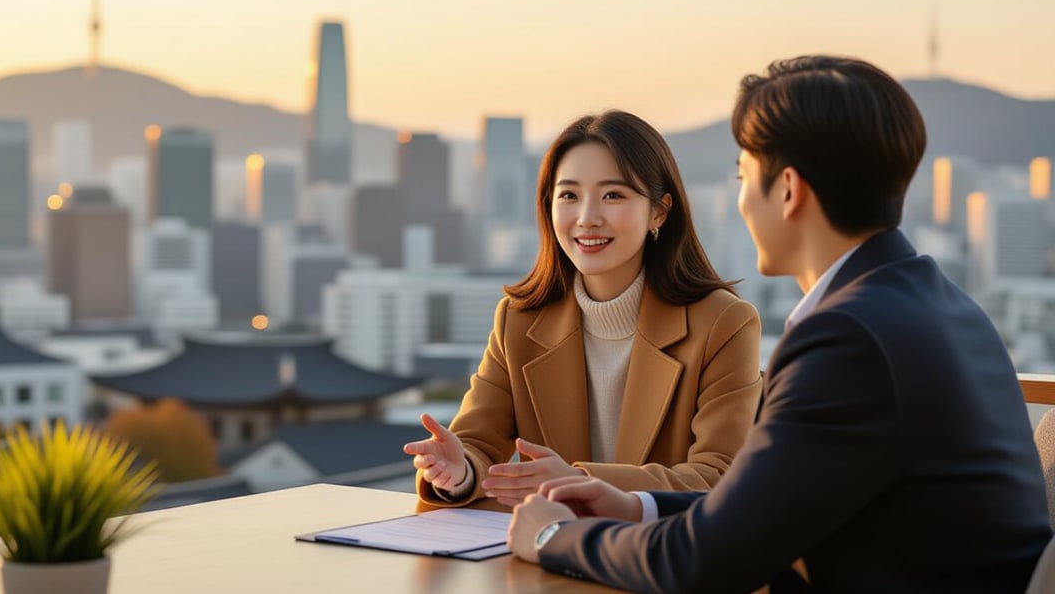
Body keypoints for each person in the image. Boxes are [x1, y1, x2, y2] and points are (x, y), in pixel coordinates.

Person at [507, 56, 1053, 592]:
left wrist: (556, 536)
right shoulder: (942, 306)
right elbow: (770, 503)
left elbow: (706, 562)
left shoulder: (848, 338)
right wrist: (638, 505)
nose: (741, 199)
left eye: (744, 175)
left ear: (788, 190)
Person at [403, 110, 762, 509]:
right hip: (545, 557)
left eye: (613, 195)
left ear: (659, 212)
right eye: (569, 195)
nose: (587, 218)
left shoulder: (722, 323)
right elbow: (477, 443)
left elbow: (720, 476)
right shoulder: (519, 321)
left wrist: (580, 481)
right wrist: (460, 471)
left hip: (662, 560)